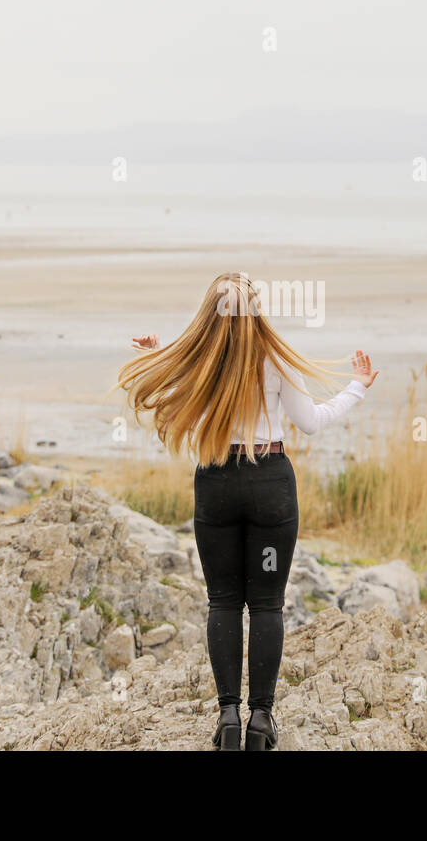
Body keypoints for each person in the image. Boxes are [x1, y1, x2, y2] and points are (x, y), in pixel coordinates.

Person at [116, 272, 378, 750]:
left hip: (216, 482)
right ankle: (261, 719)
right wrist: (357, 388)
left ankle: (228, 718)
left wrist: (157, 356)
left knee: (222, 601)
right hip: (270, 485)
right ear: (257, 311)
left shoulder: (198, 362)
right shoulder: (277, 357)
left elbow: (172, 411)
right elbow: (311, 422)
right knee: (266, 604)